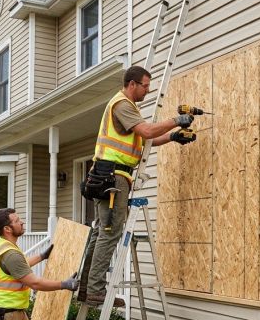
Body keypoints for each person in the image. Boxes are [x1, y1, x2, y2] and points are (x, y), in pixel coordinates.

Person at [79, 65, 197, 307]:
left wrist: (173, 137)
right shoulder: (122, 104)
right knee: (110, 233)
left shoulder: (127, 108)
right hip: (114, 177)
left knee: (101, 231)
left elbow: (147, 139)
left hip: (107, 175)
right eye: (145, 85)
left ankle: (86, 288)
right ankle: (94, 290)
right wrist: (176, 121)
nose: (147, 90)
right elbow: (147, 130)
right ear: (132, 84)